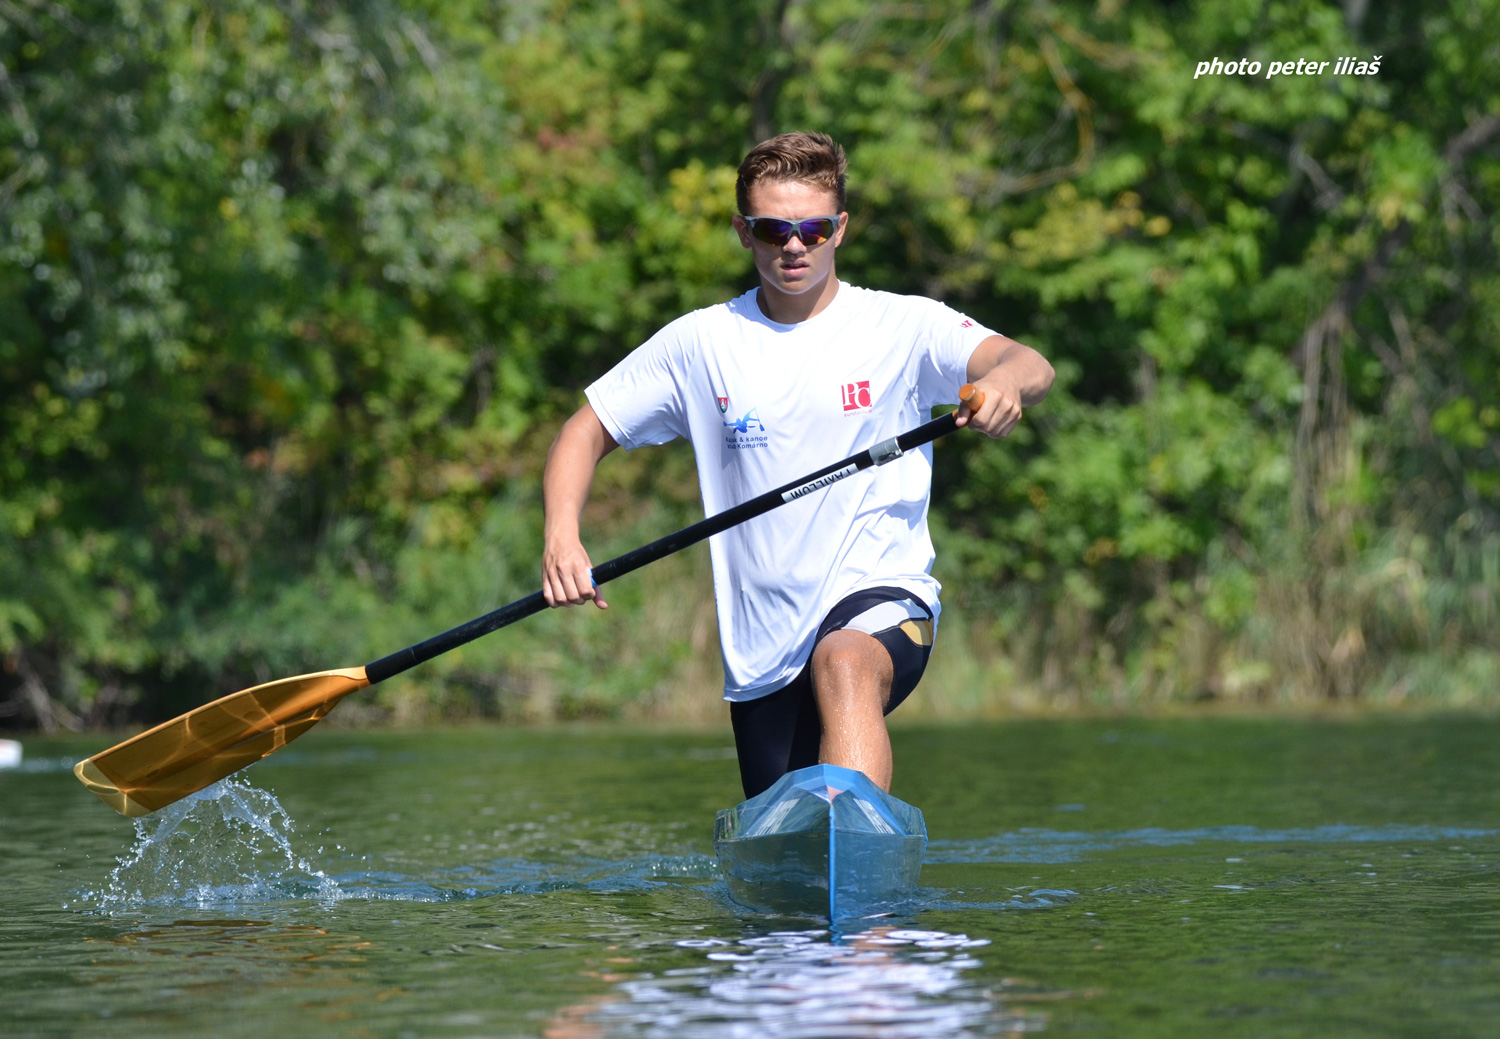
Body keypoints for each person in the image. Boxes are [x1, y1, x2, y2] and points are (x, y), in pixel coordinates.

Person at [541, 132, 1054, 798]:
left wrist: (1005, 385)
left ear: (839, 230)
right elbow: (584, 430)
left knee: (842, 661)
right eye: (773, 229)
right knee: (781, 850)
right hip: (763, 649)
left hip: (882, 598)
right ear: (742, 231)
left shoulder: (902, 326)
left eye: (812, 230)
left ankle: (861, 861)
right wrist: (561, 533)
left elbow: (1027, 362)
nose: (793, 245)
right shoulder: (701, 344)